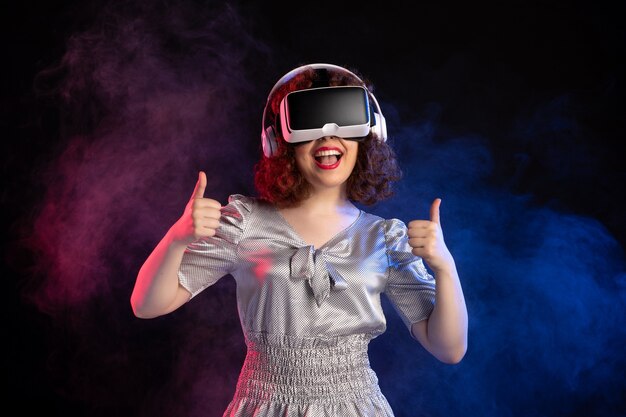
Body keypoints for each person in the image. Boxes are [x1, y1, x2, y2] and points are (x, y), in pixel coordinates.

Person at [131, 63, 468, 416]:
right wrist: (176, 238)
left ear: (368, 136)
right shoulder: (244, 223)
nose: (327, 139)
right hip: (263, 406)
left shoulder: (384, 239)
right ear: (278, 142)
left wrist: (445, 266)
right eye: (310, 125)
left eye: (341, 122)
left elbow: (449, 349)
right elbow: (146, 305)